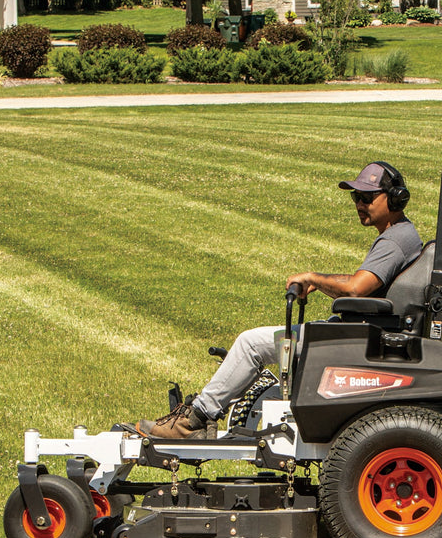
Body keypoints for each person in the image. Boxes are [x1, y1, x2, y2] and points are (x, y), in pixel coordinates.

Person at [136, 161, 424, 439]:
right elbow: (365, 283)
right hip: (366, 331)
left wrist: (312, 278)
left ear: (396, 200)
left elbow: (356, 289)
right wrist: (322, 282)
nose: (360, 204)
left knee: (251, 344)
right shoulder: (402, 235)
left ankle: (194, 420)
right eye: (355, 197)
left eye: (367, 197)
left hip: (359, 339)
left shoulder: (393, 241)